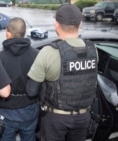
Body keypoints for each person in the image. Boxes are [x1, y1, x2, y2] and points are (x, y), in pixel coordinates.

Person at [26, 4, 98, 141]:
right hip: (83, 117)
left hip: (55, 119)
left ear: (56, 25)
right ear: (80, 24)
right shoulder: (93, 51)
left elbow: (31, 90)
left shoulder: (48, 52)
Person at [0, 17, 39, 141]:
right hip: (30, 108)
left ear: (8, 33)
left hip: (6, 110)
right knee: (29, 137)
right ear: (24, 33)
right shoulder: (37, 55)